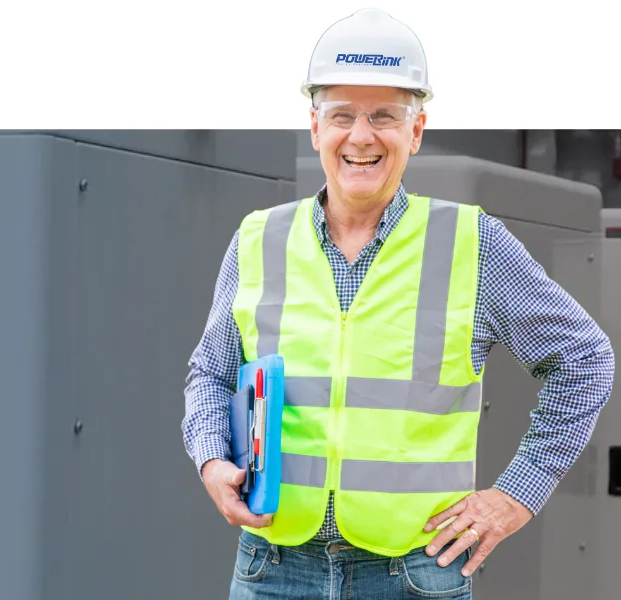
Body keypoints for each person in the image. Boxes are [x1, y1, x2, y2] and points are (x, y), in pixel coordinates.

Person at [181, 7, 615, 600]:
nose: (361, 136)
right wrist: (211, 460)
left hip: (412, 575)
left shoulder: (472, 244)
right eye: (342, 115)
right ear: (315, 127)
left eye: (384, 115)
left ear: (415, 130)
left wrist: (517, 494)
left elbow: (585, 359)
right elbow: (209, 372)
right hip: (272, 570)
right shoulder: (258, 239)